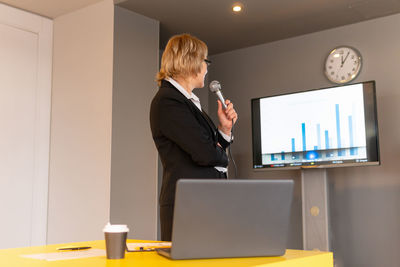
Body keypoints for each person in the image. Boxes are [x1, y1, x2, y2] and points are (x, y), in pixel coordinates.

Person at [150, 33, 238, 241]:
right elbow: (205, 153)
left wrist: (224, 131)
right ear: (191, 61)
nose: (207, 68)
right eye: (205, 61)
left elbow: (208, 149)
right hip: (187, 205)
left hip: (205, 201)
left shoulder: (187, 101)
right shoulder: (168, 101)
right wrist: (218, 154)